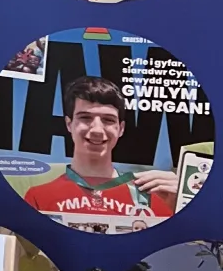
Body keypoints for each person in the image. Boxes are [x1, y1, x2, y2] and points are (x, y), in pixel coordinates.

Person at [23, 75, 176, 219]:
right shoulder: (38, 198)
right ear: (69, 124)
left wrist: (178, 207)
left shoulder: (155, 196)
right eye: (85, 118)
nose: (97, 129)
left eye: (108, 120)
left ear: (121, 129)